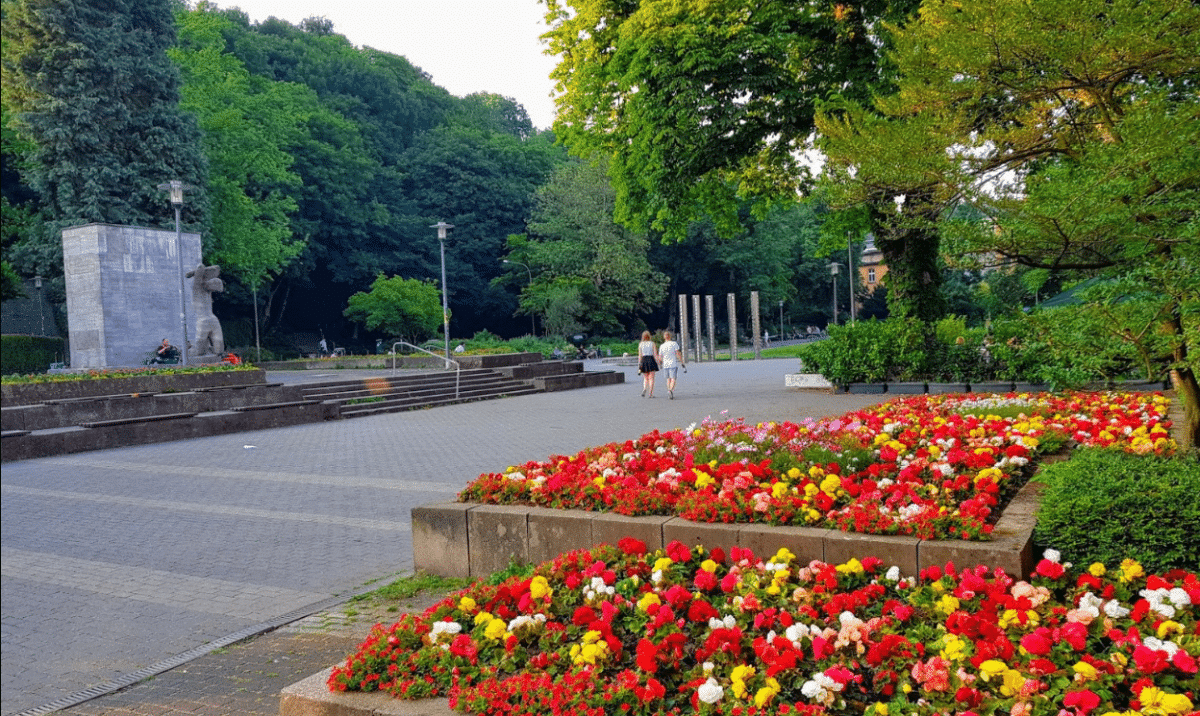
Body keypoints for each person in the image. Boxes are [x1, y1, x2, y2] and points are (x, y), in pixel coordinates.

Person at [658, 330, 685, 400]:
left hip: (665, 364)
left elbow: (660, 357)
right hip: (673, 363)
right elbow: (678, 353)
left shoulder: (662, 346)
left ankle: (668, 390)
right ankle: (670, 390)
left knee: (668, 379)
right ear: (670, 336)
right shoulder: (674, 344)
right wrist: (681, 362)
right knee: (673, 378)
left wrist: (660, 363)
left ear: (664, 337)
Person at [637, 330, 659, 397]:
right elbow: (655, 354)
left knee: (645, 377)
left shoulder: (641, 344)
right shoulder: (652, 343)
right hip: (651, 359)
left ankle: (644, 388)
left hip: (643, 360)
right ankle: (650, 393)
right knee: (651, 378)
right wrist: (658, 362)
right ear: (649, 336)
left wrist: (639, 364)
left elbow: (640, 355)